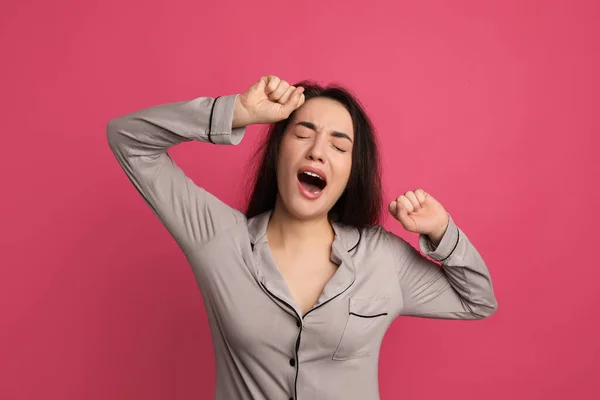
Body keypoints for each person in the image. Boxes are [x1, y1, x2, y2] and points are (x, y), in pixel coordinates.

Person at [106, 75, 498, 400]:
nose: (317, 152)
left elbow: (477, 300)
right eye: (303, 134)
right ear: (278, 153)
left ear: (349, 174)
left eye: (338, 145)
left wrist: (442, 231)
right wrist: (237, 111)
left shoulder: (383, 260)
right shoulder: (219, 239)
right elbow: (128, 139)